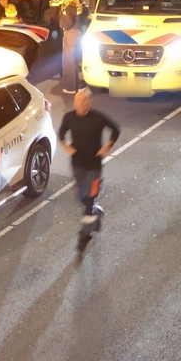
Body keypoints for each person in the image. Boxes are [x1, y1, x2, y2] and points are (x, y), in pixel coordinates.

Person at [58, 90, 120, 253]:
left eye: (82, 100)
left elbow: (115, 129)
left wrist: (108, 146)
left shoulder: (98, 118)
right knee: (82, 197)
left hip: (94, 167)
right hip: (78, 165)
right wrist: (66, 146)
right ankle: (96, 212)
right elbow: (61, 133)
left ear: (89, 102)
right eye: (77, 100)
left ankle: (84, 235)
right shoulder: (69, 117)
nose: (79, 103)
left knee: (90, 199)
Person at [51, 0, 83, 93]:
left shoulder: (71, 6)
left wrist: (61, 23)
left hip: (71, 34)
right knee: (71, 61)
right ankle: (77, 85)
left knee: (67, 61)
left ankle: (71, 87)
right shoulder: (71, 5)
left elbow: (68, 22)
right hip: (72, 34)